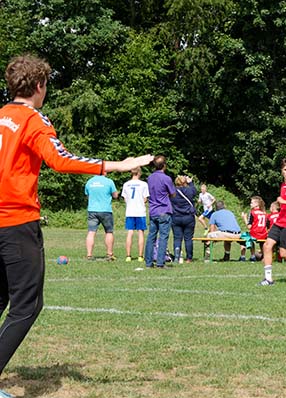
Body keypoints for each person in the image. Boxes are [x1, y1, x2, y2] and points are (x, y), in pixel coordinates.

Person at [0, 54, 153, 397]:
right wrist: (117, 164)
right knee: (26, 306)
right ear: (39, 87)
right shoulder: (33, 120)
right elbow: (60, 159)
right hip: (15, 223)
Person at [144, 155, 176, 268]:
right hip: (164, 210)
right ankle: (160, 262)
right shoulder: (166, 178)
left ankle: (148, 262)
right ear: (164, 165)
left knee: (151, 236)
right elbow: (173, 193)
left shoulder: (150, 178)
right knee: (163, 237)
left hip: (153, 210)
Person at [84, 174, 119, 261]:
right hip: (105, 210)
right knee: (109, 232)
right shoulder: (109, 181)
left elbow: (87, 196)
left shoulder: (89, 182)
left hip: (92, 210)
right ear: (104, 172)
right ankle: (109, 254)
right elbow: (115, 195)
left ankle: (89, 255)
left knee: (91, 232)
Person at [121, 167, 149, 262]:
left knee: (130, 232)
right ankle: (140, 256)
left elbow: (125, 198)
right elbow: (145, 199)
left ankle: (128, 255)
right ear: (139, 173)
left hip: (130, 211)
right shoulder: (143, 184)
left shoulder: (126, 184)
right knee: (140, 232)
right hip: (140, 211)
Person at [171, 175, 198, 263]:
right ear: (185, 182)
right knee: (188, 238)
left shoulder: (173, 191)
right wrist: (190, 182)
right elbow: (195, 191)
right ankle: (189, 258)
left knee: (177, 238)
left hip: (176, 217)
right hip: (188, 217)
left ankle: (176, 257)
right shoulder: (189, 190)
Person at [241, 196, 268, 261]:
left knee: (243, 237)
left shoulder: (252, 212)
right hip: (263, 235)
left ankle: (248, 256)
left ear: (257, 204)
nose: (250, 204)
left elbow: (249, 227)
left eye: (252, 203)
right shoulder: (264, 213)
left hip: (255, 234)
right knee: (262, 242)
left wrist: (244, 218)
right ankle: (264, 257)